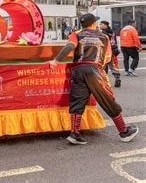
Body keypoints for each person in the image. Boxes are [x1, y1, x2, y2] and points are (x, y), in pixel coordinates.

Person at [48, 13, 138, 145]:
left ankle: (75, 133)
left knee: (77, 101)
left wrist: (55, 61)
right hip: (94, 70)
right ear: (93, 24)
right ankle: (123, 131)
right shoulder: (104, 36)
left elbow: (70, 46)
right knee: (107, 99)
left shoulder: (76, 34)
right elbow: (107, 57)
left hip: (78, 70)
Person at [99, 21, 121, 87]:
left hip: (105, 52)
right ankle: (117, 78)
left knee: (103, 67)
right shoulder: (112, 32)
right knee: (113, 66)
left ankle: (105, 81)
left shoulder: (103, 33)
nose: (100, 25)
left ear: (106, 25)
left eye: (101, 24)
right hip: (112, 51)